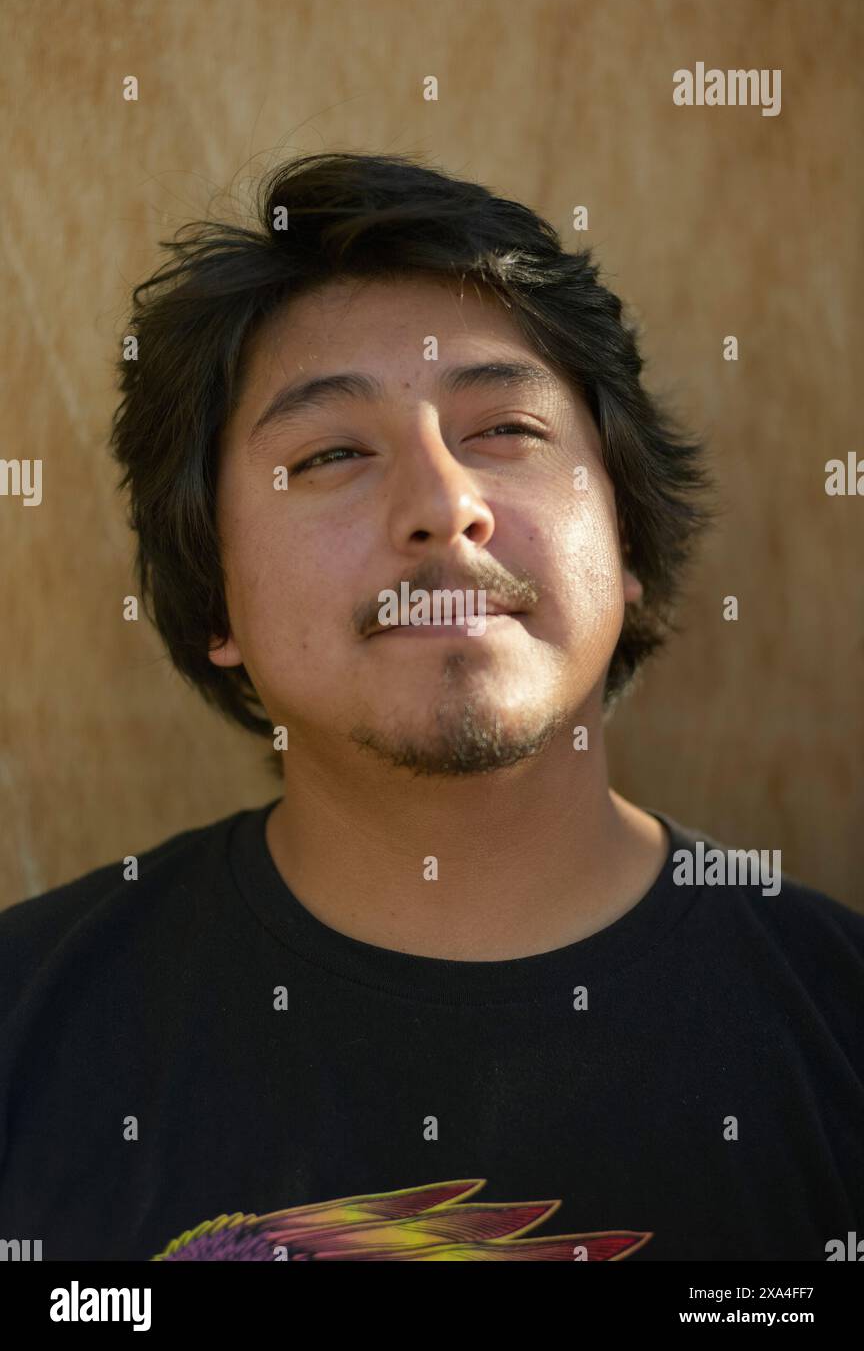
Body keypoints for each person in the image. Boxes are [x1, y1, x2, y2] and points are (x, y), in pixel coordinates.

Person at [1, 153, 861, 1262]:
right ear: (215, 595)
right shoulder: (28, 1035)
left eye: (505, 430)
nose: (445, 506)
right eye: (332, 453)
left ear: (628, 541)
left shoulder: (840, 1032)